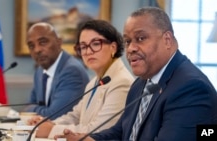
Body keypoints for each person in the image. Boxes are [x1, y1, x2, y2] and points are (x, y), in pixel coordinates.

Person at [54, 7, 217, 141]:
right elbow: (121, 131)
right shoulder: (140, 83)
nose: (131, 48)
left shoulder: (191, 88)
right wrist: (90, 139)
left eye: (140, 38)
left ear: (167, 40)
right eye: (127, 41)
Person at [28, 19, 135, 139]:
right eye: (83, 46)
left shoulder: (122, 82)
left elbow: (99, 130)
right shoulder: (94, 82)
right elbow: (75, 115)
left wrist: (52, 130)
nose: (88, 51)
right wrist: (48, 123)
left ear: (113, 47)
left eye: (95, 44)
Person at [25, 22, 89, 119]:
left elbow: (54, 115)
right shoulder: (39, 71)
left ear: (59, 42)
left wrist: (31, 109)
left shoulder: (72, 71)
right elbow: (29, 106)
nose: (37, 50)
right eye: (31, 46)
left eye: (43, 42)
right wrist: (32, 109)